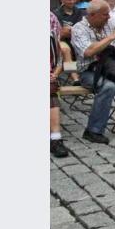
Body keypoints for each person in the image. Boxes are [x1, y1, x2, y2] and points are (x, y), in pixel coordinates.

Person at [71, 0, 115, 144]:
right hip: (89, 70)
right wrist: (112, 36)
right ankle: (93, 131)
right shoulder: (78, 28)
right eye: (105, 15)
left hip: (112, 68)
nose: (109, 17)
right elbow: (88, 52)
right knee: (108, 86)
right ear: (92, 15)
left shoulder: (109, 24)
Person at [54, 0, 84, 86]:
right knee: (65, 50)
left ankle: (54, 76)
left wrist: (71, 31)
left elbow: (84, 29)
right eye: (69, 0)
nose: (72, 2)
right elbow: (57, 33)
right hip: (61, 41)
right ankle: (75, 77)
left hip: (78, 42)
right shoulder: (56, 14)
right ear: (62, 0)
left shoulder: (80, 12)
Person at [50, 12, 70, 158]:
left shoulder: (50, 18)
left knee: (50, 90)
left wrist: (55, 74)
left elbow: (58, 58)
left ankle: (56, 139)